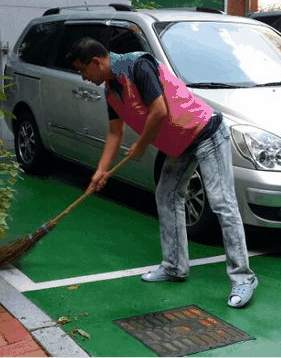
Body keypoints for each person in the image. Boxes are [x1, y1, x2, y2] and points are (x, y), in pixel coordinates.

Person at [67, 37, 258, 308]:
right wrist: (101, 170)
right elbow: (114, 132)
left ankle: (243, 278)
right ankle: (174, 267)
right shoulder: (111, 90)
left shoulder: (138, 66)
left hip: (206, 133)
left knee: (222, 203)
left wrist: (141, 146)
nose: (83, 77)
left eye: (82, 70)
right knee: (166, 196)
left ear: (96, 62)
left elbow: (158, 111)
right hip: (180, 144)